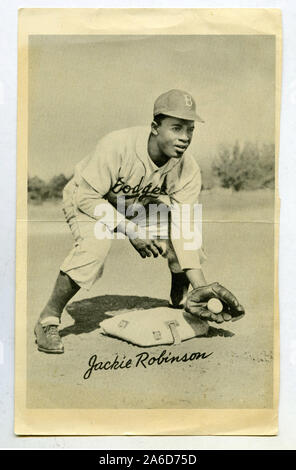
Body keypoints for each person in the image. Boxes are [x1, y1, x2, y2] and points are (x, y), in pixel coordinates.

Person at [34, 89, 244, 354]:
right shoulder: (117, 145)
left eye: (190, 129)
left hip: (133, 203)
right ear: (155, 127)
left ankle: (183, 298)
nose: (185, 138)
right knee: (95, 246)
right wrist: (131, 231)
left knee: (182, 229)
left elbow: (184, 225)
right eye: (176, 128)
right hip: (88, 197)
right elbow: (88, 197)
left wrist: (201, 286)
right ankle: (48, 319)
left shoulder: (187, 168)